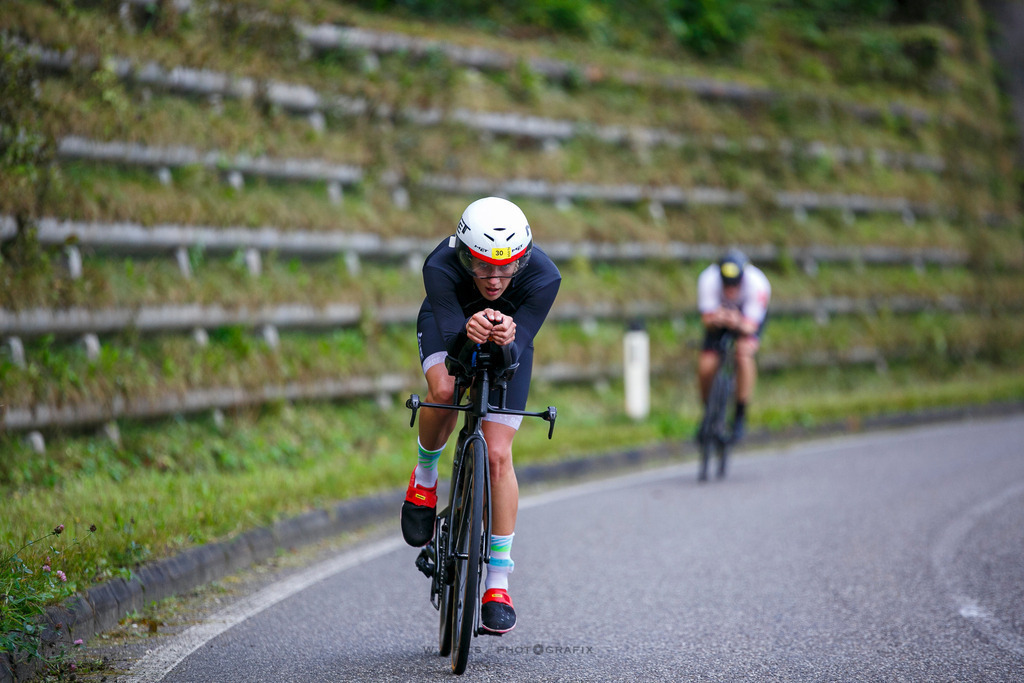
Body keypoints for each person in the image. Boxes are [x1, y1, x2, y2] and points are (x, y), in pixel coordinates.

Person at [401, 196, 561, 634]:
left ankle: (497, 582)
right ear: (463, 256)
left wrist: (510, 337)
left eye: (507, 267)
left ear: (523, 260)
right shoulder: (440, 266)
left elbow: (517, 348)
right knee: (446, 389)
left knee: (496, 455)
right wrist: (467, 336)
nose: (494, 279)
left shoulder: (544, 276)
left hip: (509, 339)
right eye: (483, 266)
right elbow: (454, 350)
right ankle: (426, 479)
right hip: (449, 321)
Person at [696, 248, 771, 443]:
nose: (730, 290)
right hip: (719, 321)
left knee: (743, 354)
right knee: (706, 366)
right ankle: (708, 414)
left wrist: (737, 322)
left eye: (734, 285)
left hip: (747, 320)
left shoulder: (757, 284)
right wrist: (717, 318)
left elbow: (751, 325)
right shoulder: (708, 279)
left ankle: (739, 414)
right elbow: (706, 318)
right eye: (726, 285)